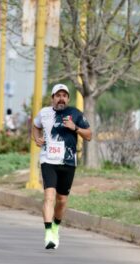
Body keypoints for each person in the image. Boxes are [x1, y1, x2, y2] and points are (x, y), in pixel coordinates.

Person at [33, 84, 92, 250]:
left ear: (68, 99)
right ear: (52, 98)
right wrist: (36, 139)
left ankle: (55, 228)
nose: (61, 98)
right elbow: (35, 126)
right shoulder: (44, 113)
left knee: (62, 200)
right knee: (49, 198)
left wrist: (75, 128)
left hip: (67, 162)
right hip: (48, 161)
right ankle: (48, 235)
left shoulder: (75, 114)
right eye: (58, 95)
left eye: (64, 95)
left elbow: (89, 135)